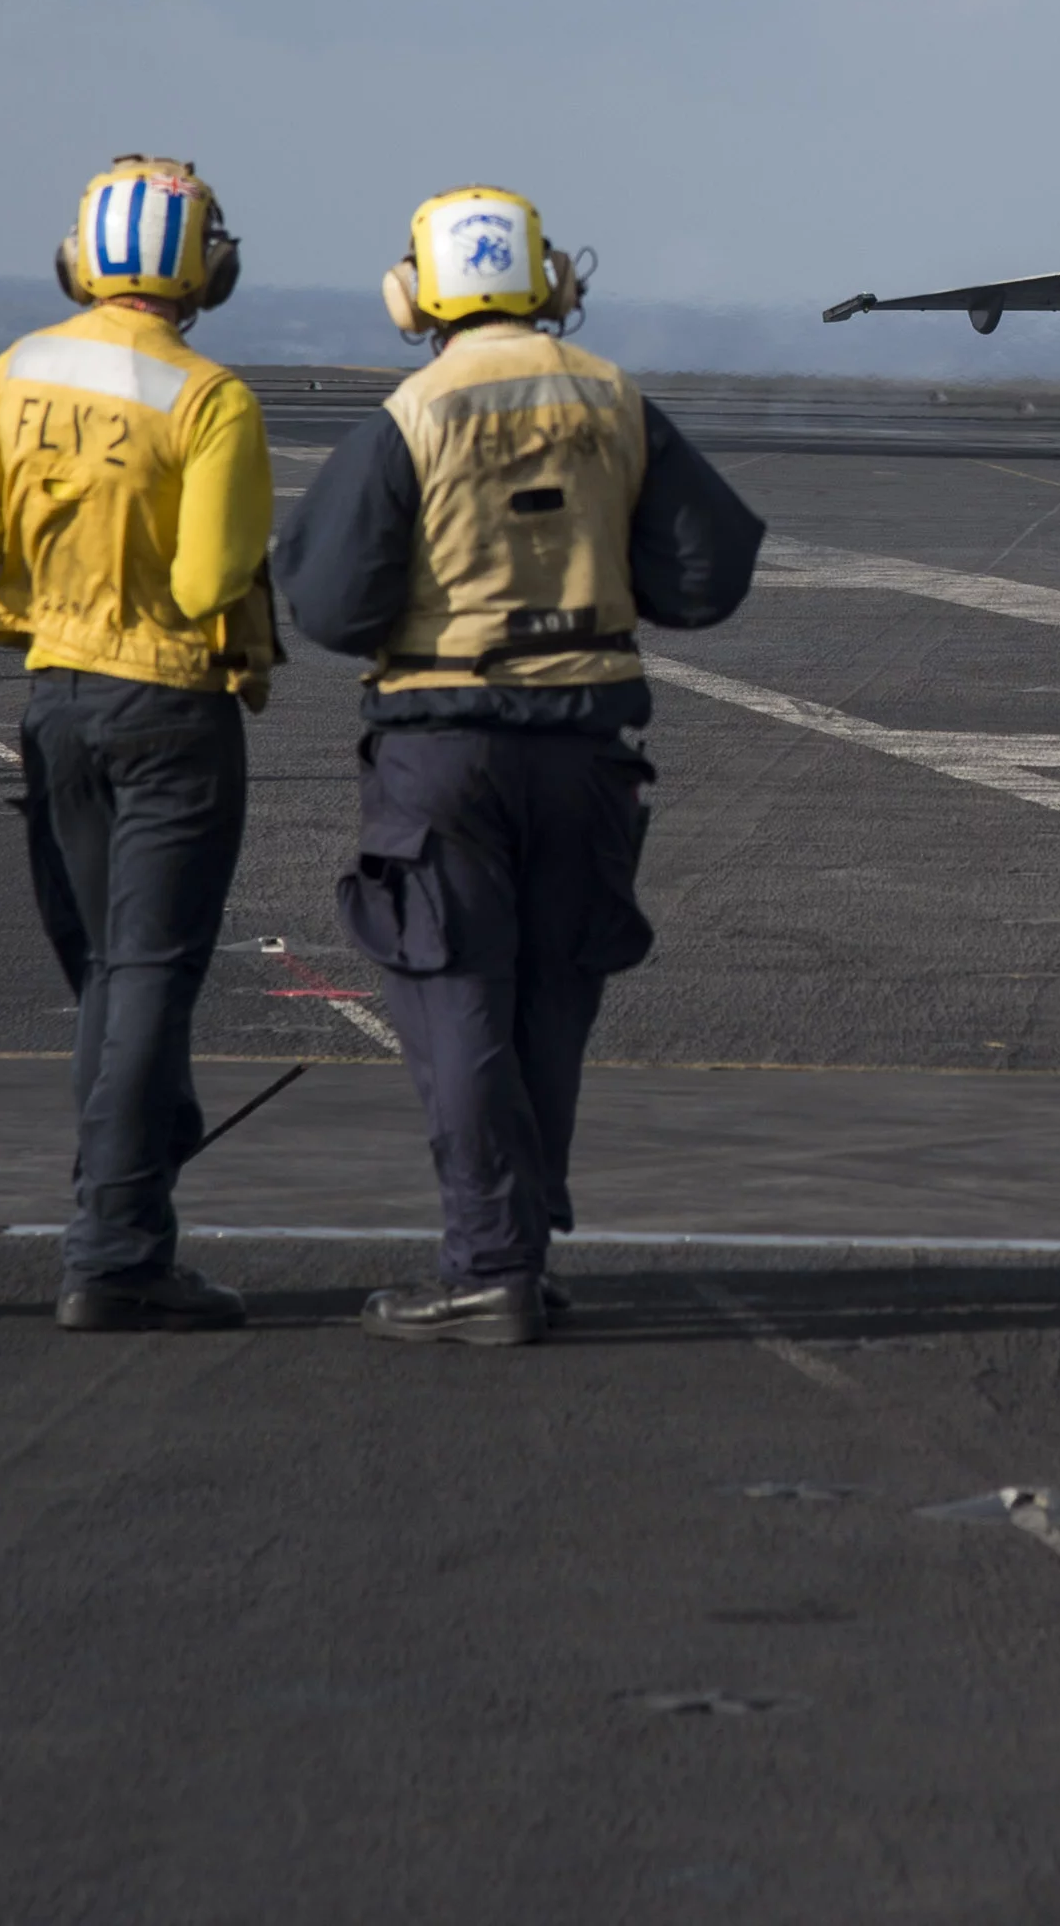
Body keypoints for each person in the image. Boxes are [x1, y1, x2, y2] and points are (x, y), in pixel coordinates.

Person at [276, 188, 763, 1344]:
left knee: (456, 1001)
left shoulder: (412, 411)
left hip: (443, 753)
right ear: (549, 281)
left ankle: (489, 1262)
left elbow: (333, 605)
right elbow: (707, 575)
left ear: (416, 295)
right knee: (550, 1001)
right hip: (588, 750)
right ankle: (520, 1248)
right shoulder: (610, 396)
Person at [0, 157, 277, 1332]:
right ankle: (117, 1248)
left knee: (105, 980)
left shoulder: (17, 368)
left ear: (78, 258)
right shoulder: (209, 396)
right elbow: (209, 575)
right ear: (205, 269)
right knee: (146, 978)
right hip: (169, 701)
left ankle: (125, 1185)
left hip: (54, 701)